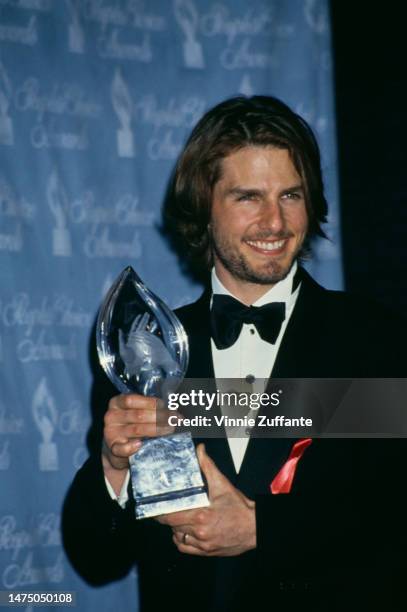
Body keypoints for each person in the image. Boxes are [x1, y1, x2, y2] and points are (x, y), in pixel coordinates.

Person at [63, 96, 406, 612]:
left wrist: (263, 528)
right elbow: (96, 559)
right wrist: (113, 469)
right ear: (203, 205)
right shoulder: (147, 353)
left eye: (291, 194)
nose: (276, 222)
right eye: (249, 197)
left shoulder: (377, 340)